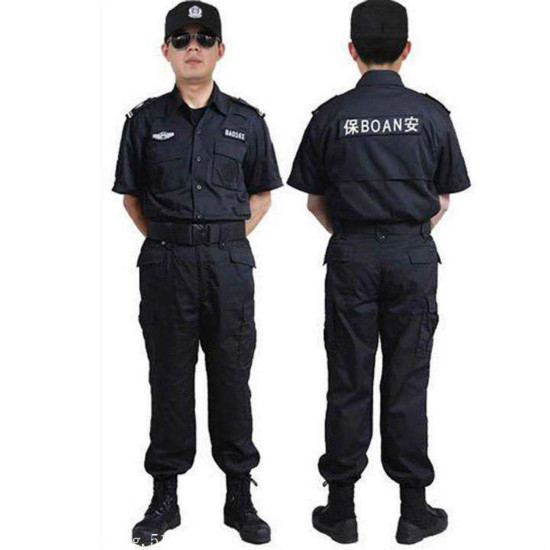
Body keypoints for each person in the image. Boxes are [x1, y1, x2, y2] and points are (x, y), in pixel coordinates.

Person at [287, 0, 470, 544]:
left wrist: (356, 236)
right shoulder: (432, 115)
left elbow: (314, 200)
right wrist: (407, 235)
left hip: (352, 257)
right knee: (408, 380)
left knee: (348, 379)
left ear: (353, 51)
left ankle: (340, 510)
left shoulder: (330, 116)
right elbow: (443, 197)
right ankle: (413, 511)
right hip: (413, 257)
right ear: (406, 50)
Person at [112, 2, 282, 545]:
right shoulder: (144, 122)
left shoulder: (247, 121)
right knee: (169, 377)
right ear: (165, 50)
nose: (193, 47)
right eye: (182, 38)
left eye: (205, 38)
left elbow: (262, 195)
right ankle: (165, 498)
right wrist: (176, 239)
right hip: (167, 265)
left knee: (232, 376)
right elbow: (132, 198)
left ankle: (239, 496)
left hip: (229, 266)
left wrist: (221, 239)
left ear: (220, 50)